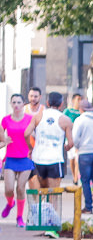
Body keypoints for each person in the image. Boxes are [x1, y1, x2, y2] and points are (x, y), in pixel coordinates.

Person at [26, 92, 74, 189]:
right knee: (53, 195)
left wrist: (30, 148)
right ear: (61, 104)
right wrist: (67, 147)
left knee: (37, 196)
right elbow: (71, 143)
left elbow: (26, 134)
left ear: (47, 103)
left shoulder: (37, 116)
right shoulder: (66, 120)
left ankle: (38, 204)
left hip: (37, 159)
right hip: (55, 160)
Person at [2, 94, 34, 227]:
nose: (16, 105)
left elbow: (38, 135)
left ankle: (19, 218)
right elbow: (1, 141)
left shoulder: (30, 119)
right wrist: (4, 142)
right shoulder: (5, 120)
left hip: (26, 159)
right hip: (10, 158)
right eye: (14, 102)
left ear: (23, 104)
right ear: (10, 104)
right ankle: (10, 203)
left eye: (19, 102)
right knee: (9, 189)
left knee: (20, 188)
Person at [64, 93, 83, 184]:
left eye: (80, 100)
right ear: (73, 100)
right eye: (78, 99)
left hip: (78, 140)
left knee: (77, 160)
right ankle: (73, 176)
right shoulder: (68, 111)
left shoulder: (82, 112)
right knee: (71, 160)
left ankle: (76, 178)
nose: (79, 101)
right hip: (69, 138)